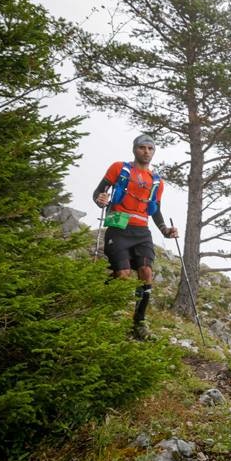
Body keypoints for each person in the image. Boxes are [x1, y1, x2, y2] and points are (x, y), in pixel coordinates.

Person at [93, 134, 178, 337]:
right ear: (134, 149)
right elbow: (98, 193)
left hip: (142, 231)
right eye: (142, 147)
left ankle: (139, 322)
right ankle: (99, 300)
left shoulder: (156, 181)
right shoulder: (119, 169)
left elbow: (155, 210)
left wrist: (165, 230)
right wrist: (101, 199)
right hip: (118, 228)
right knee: (122, 275)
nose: (146, 151)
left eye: (150, 148)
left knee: (146, 273)